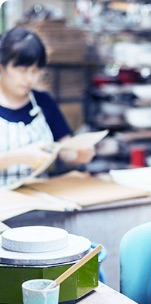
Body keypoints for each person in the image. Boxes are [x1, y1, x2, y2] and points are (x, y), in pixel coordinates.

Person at [0, 25, 95, 188]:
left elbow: (64, 148)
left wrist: (77, 154)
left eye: (35, 70)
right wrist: (19, 157)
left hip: (39, 197)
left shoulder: (43, 102)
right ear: (2, 66)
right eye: (22, 70)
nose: (29, 78)